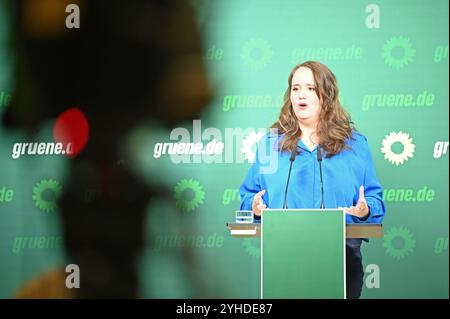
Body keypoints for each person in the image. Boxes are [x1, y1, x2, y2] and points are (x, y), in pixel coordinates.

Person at [239, 61, 386, 299]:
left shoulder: (355, 145)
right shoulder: (270, 144)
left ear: (326, 95)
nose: (301, 95)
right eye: (296, 88)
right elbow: (247, 198)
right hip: (283, 257)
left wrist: (365, 209)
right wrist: (254, 207)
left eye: (310, 87)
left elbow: (374, 200)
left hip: (341, 255)